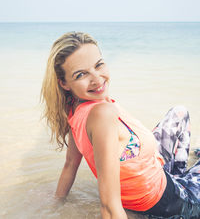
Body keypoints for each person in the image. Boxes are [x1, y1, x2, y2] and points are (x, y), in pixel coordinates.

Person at [41, 31, 200, 219]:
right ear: (64, 83)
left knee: (179, 112)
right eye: (81, 74)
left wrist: (56, 203)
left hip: (153, 171)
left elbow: (70, 165)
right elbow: (109, 207)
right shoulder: (102, 115)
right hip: (166, 201)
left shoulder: (75, 109)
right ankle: (185, 186)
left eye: (99, 65)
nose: (97, 79)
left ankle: (180, 175)